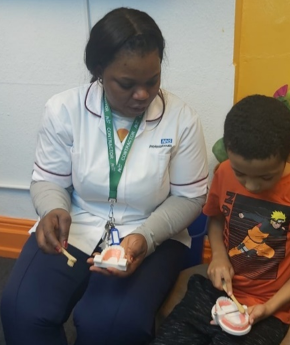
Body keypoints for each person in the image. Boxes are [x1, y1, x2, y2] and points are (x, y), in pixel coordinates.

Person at [0, 7, 208, 345]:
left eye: (152, 81)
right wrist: (53, 208)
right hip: (78, 222)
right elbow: (48, 180)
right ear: (98, 71)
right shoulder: (64, 110)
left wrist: (145, 237)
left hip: (152, 230)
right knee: (22, 308)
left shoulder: (182, 119)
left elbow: (190, 197)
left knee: (112, 323)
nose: (142, 95)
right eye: (127, 84)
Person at [151, 95, 290, 345]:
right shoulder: (224, 171)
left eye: (266, 177)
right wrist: (219, 256)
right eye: (240, 174)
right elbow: (214, 218)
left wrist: (270, 307)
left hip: (271, 306)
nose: (252, 185)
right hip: (217, 290)